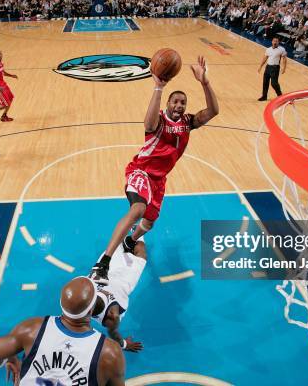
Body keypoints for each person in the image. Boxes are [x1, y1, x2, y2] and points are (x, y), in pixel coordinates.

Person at [89, 56, 219, 283]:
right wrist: (158, 87)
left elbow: (213, 111)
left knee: (149, 222)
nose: (179, 105)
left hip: (159, 180)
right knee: (138, 209)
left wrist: (205, 82)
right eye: (175, 102)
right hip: (141, 171)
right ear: (168, 104)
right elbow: (148, 126)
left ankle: (130, 242)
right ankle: (103, 263)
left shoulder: (188, 122)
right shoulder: (158, 118)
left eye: (183, 103)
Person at [0, 277, 125, 385]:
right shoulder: (110, 352)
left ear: (61, 304)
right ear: (91, 310)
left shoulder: (31, 329)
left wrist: (8, 357)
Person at [92, 238, 147, 352]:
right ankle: (139, 232)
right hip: (125, 278)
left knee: (123, 244)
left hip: (105, 271)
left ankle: (136, 230)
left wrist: (124, 345)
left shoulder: (82, 292)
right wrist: (125, 345)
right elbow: (113, 333)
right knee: (140, 251)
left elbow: (113, 333)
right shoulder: (113, 316)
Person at [257, 36, 287, 101]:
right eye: (274, 41)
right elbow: (265, 58)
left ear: (278, 42)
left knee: (274, 83)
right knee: (265, 82)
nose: (275, 42)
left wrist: (284, 68)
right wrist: (260, 66)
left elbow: (284, 59)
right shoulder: (268, 49)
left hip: (275, 68)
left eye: (276, 41)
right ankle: (264, 96)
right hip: (268, 67)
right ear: (272, 41)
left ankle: (280, 95)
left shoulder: (281, 49)